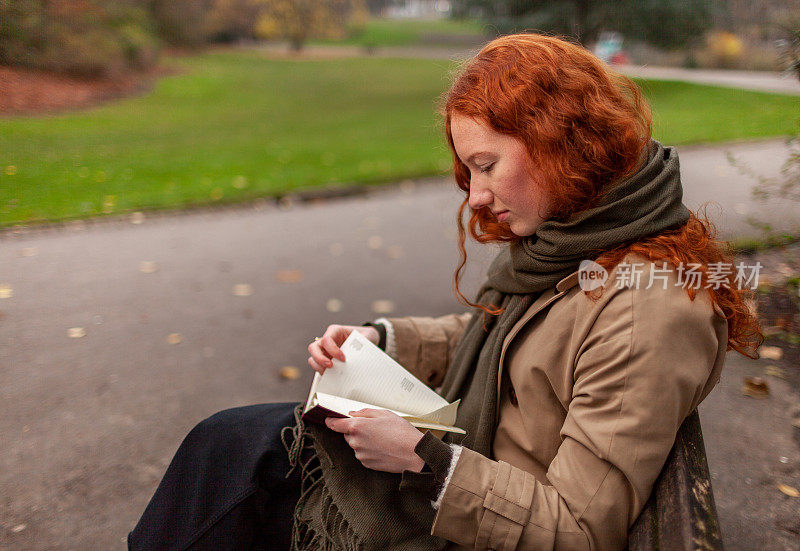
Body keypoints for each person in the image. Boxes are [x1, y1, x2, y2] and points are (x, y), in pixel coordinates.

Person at [129, 33, 763, 551]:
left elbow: (579, 527)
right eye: (469, 170)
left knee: (241, 462)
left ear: (561, 146)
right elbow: (514, 333)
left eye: (486, 165)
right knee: (228, 445)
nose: (475, 196)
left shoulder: (645, 309)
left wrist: (423, 462)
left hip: (471, 509)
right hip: (475, 470)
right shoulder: (578, 239)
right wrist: (382, 341)